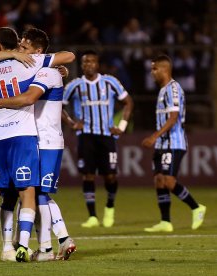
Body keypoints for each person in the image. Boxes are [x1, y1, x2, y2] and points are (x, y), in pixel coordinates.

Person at [0, 27, 74, 263]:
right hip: (27, 137)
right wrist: (13, 56)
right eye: (18, 45)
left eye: (25, 46)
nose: (21, 48)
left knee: (37, 193)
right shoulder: (32, 65)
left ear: (37, 50)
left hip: (43, 139)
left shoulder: (43, 70)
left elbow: (28, 98)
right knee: (17, 195)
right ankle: (16, 248)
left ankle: (50, 245)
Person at [62, 50, 133, 228]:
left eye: (92, 62)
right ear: (81, 65)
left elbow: (128, 102)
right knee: (88, 175)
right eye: (85, 62)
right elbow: (58, 106)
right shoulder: (75, 85)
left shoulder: (110, 82)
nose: (88, 65)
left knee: (110, 176)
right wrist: (71, 123)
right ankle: (92, 215)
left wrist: (122, 126)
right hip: (85, 136)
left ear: (98, 64)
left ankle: (109, 207)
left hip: (106, 136)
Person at [142, 54, 206, 232]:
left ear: (164, 69)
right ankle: (165, 222)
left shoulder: (173, 89)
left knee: (169, 181)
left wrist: (154, 136)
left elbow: (173, 117)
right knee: (159, 180)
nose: (152, 72)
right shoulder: (163, 90)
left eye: (154, 69)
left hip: (174, 142)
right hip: (162, 144)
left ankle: (196, 208)